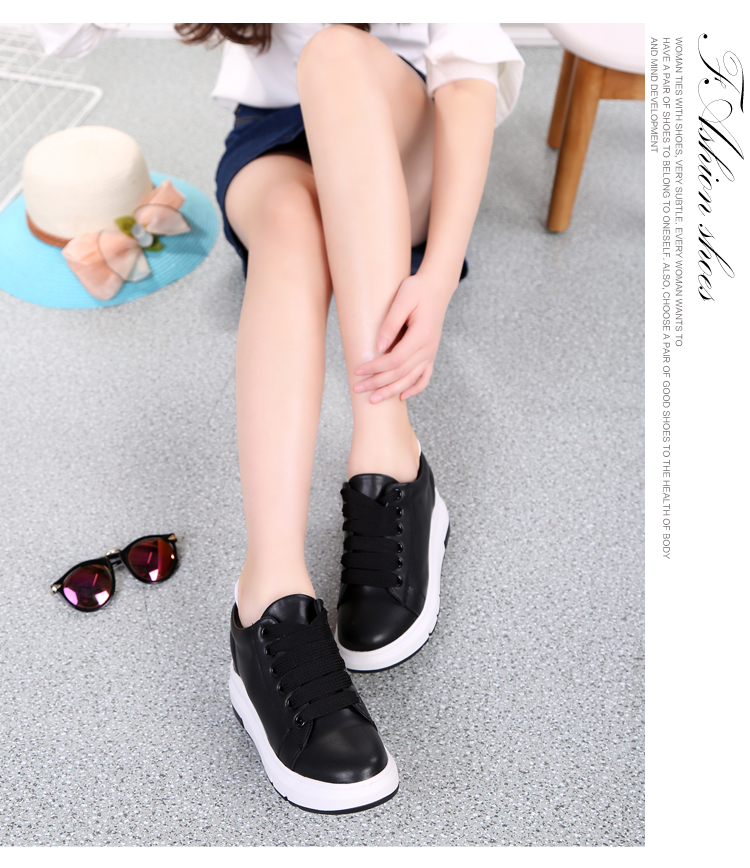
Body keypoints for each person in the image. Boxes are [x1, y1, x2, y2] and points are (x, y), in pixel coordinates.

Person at [35, 22, 524, 814]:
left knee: (334, 52)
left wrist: (435, 277)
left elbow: (468, 72)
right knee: (291, 227)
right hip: (272, 139)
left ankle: (390, 459)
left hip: (405, 129)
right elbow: (67, 30)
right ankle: (269, 598)